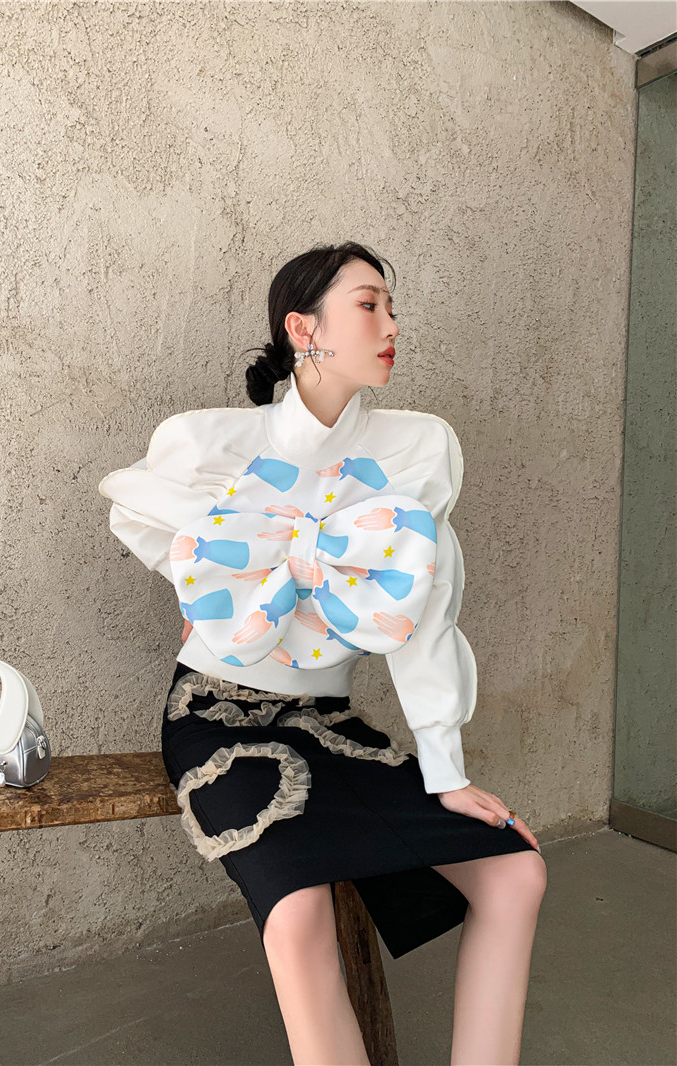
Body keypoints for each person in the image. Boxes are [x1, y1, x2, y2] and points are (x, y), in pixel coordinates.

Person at [98, 241, 547, 1066]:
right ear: (303, 329)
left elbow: (427, 616)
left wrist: (445, 768)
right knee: (298, 908)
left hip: (332, 723)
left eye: (390, 307)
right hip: (217, 718)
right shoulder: (207, 442)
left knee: (517, 871)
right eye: (370, 305)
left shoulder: (417, 448)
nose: (392, 325)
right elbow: (133, 506)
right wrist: (224, 590)